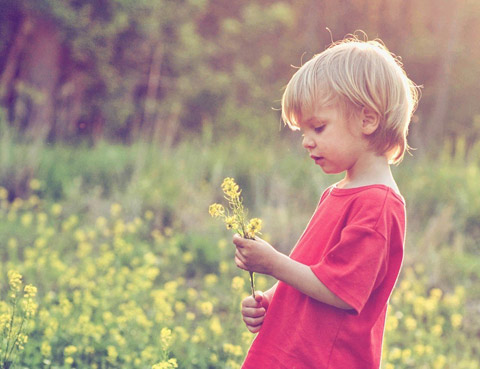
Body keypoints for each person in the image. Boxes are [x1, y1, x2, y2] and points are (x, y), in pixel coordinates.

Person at [232, 35, 420, 369]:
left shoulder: (377, 205)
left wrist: (273, 262)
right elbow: (315, 268)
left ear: (367, 120)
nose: (306, 142)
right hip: (289, 352)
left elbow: (341, 292)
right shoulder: (337, 193)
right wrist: (271, 300)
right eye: (303, 131)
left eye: (318, 127)